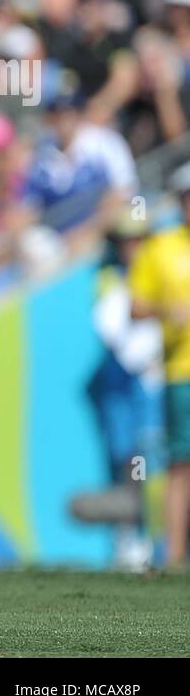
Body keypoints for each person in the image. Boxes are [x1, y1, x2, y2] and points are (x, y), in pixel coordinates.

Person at [129, 162, 190, 568]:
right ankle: (173, 554)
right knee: (181, 461)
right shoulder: (161, 246)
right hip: (181, 371)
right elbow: (136, 306)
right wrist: (169, 311)